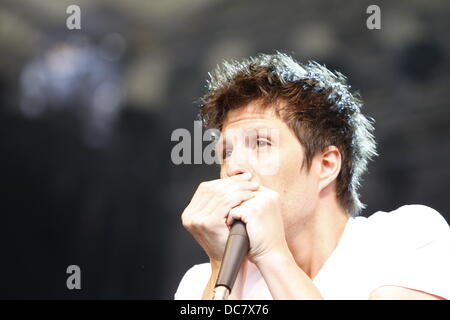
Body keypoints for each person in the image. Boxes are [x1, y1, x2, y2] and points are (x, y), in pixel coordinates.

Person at [175, 52, 450, 300]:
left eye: (260, 143)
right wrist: (222, 268)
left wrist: (274, 256)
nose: (233, 167)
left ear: (326, 164)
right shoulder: (200, 282)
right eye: (226, 152)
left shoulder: (406, 237)